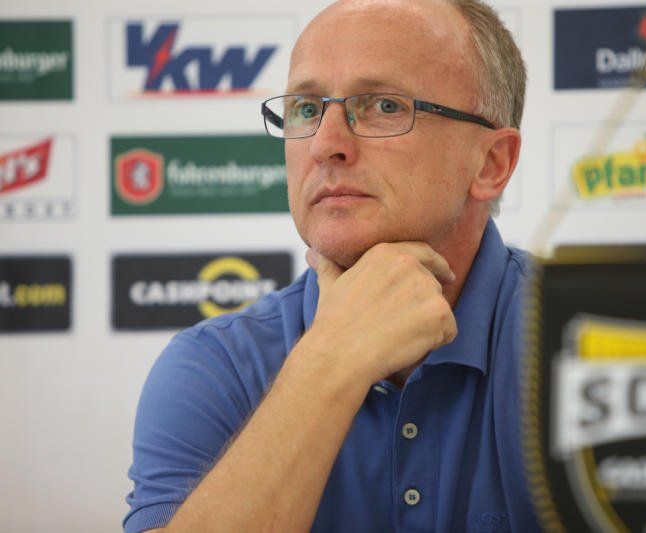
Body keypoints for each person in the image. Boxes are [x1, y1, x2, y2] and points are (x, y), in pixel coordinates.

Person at [124, 0, 538, 531]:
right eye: (306, 109)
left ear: (491, 163)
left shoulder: (588, 343)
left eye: (384, 106)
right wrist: (332, 359)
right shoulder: (215, 367)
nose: (324, 145)